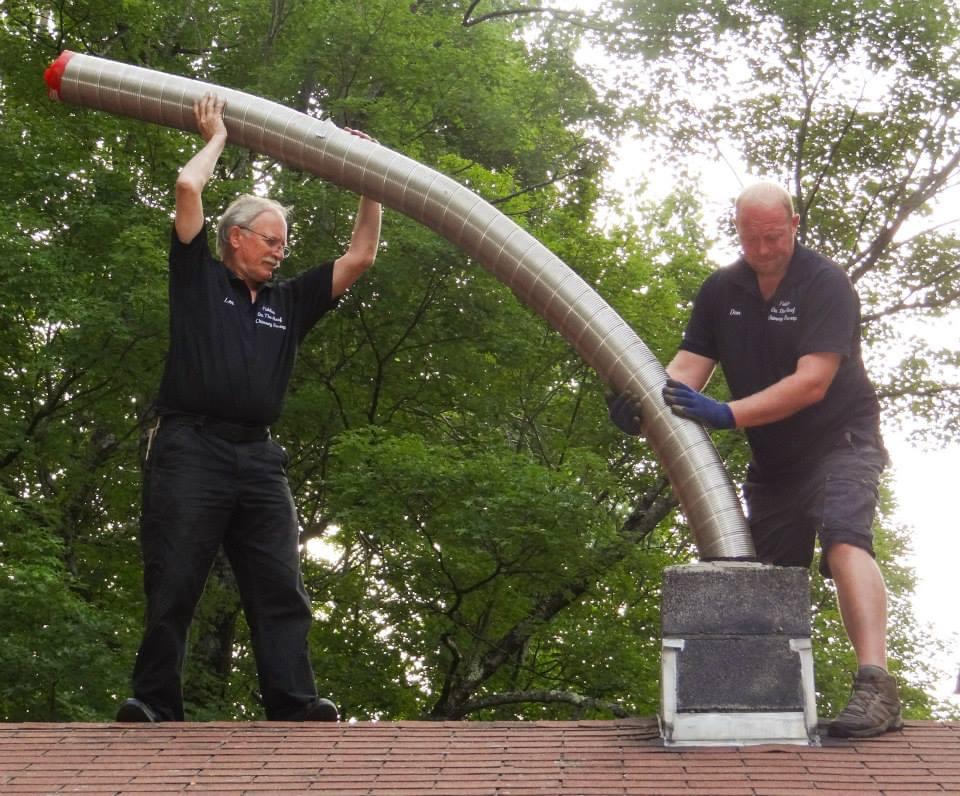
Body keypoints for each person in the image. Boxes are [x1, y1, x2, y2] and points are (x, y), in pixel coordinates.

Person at [116, 94, 382, 723]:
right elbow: (187, 186)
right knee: (175, 578)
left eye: (285, 244)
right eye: (271, 239)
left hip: (258, 459)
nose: (280, 251)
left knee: (278, 584)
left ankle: (291, 703)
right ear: (235, 238)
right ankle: (155, 703)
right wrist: (216, 137)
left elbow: (360, 257)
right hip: (189, 449)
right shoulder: (198, 277)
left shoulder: (286, 303)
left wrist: (373, 183)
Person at [608, 181, 902, 738]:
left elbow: (813, 382)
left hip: (841, 439)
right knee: (766, 577)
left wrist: (727, 413)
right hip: (776, 461)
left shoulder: (824, 283)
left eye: (773, 235)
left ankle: (876, 685)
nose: (763, 248)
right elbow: (687, 369)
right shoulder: (722, 291)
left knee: (843, 539)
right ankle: (762, 699)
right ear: (736, 229)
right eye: (751, 237)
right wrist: (641, 403)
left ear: (793, 224)